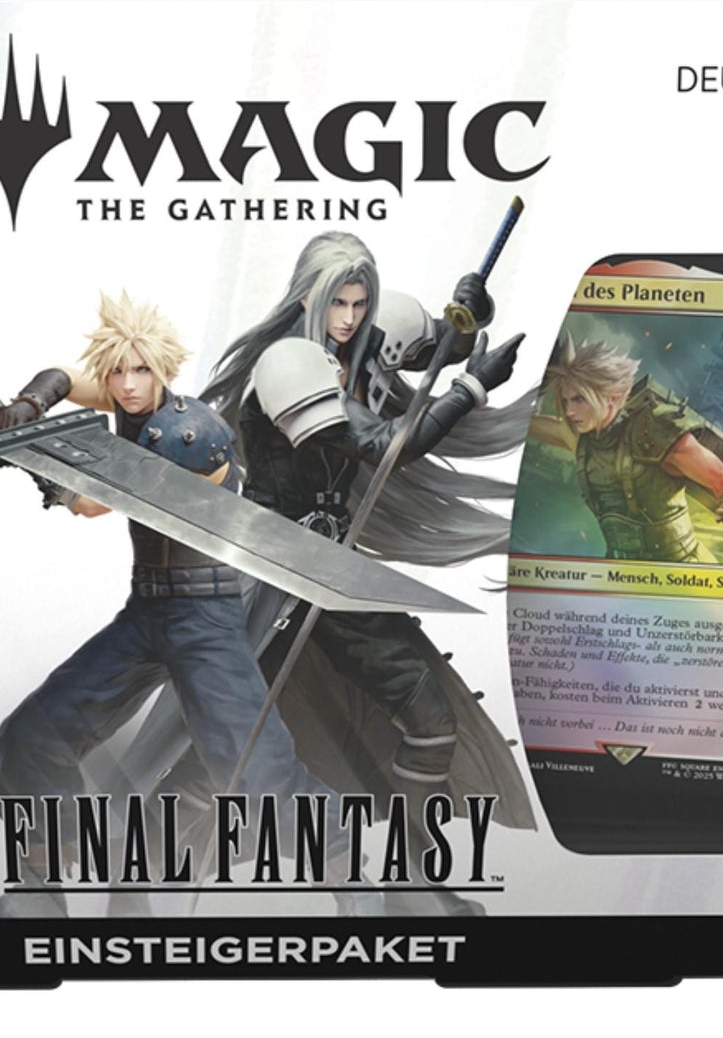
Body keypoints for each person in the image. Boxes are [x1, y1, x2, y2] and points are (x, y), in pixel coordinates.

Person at [126, 231, 538, 917]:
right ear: (306, 297)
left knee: (429, 718)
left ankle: (410, 886)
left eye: (358, 302)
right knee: (222, 747)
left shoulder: (366, 330)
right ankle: (130, 883)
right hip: (269, 581)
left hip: (330, 574)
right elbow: (387, 446)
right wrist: (469, 388)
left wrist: (470, 312)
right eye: (335, 303)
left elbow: (440, 340)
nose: (348, 318)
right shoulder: (286, 364)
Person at [0, 292, 373, 918]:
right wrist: (29, 404)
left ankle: (358, 887)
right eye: (117, 372)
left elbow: (93, 503)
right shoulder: (131, 401)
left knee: (256, 774)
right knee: (32, 737)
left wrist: (28, 457)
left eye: (140, 371)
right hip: (148, 609)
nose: (127, 385)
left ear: (163, 370)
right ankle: (40, 894)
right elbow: (68, 377)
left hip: (205, 618)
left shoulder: (186, 433)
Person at [527, 334, 723, 566]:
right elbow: (525, 424)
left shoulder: (652, 429)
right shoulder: (581, 439)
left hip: (684, 573)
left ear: (613, 397)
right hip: (621, 571)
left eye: (579, 400)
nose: (569, 411)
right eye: (565, 401)